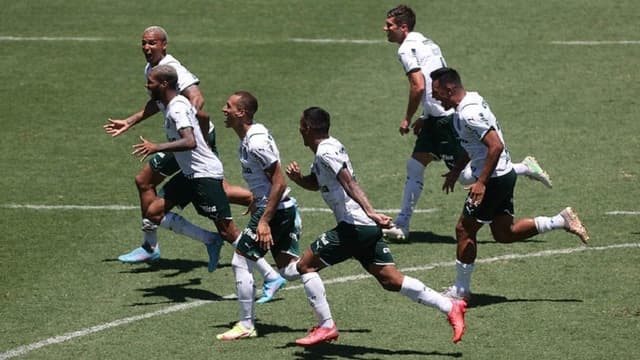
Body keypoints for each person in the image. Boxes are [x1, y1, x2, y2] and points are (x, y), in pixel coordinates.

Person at [285, 107, 467, 345]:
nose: (299, 129)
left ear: (307, 128)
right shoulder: (327, 149)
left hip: (355, 226)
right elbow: (317, 182)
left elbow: (349, 183)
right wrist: (299, 179)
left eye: (301, 125)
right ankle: (450, 306)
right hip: (363, 227)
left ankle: (326, 325)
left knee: (306, 266)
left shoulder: (326, 152)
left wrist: (371, 212)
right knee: (391, 280)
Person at [382, 5, 552, 241]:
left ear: (403, 27)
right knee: (415, 165)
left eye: (389, 25)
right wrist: (426, 115)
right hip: (435, 116)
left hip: (443, 120)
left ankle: (522, 168)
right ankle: (402, 224)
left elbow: (419, 85)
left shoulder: (405, 49)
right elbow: (438, 80)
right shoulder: (426, 42)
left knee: (463, 176)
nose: (385, 29)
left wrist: (408, 118)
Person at [430, 67, 590, 301]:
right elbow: (473, 144)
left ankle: (461, 292)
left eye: (436, 92)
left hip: (494, 179)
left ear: (449, 88)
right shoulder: (470, 102)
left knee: (464, 229)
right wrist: (456, 171)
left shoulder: (469, 113)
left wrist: (481, 182)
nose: (434, 97)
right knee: (504, 233)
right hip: (503, 175)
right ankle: (560, 220)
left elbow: (495, 146)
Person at [103, 26, 251, 270]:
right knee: (152, 182)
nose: (146, 47)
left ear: (164, 45)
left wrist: (187, 120)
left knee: (208, 189)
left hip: (193, 138)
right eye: (143, 43)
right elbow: (157, 101)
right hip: (184, 137)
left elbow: (197, 96)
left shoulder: (175, 68)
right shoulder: (153, 70)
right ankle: (151, 246)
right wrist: (130, 121)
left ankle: (273, 206)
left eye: (152, 43)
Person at [216, 91, 334, 341]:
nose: (224, 110)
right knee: (292, 268)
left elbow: (279, 182)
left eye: (229, 106)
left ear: (242, 112)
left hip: (275, 210)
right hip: (279, 207)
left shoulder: (256, 142)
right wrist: (255, 200)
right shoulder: (249, 137)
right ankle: (324, 304)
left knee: (240, 261)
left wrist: (264, 219)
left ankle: (246, 324)